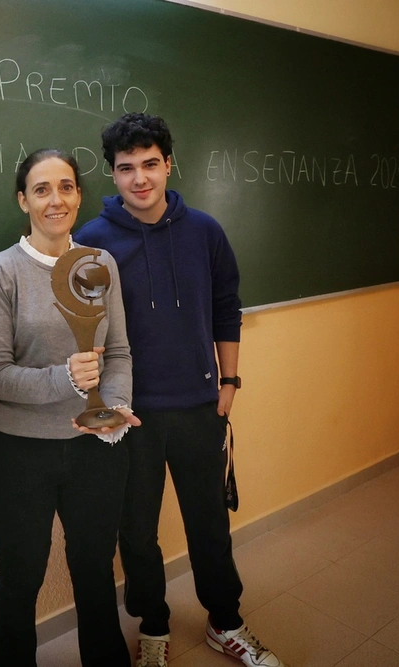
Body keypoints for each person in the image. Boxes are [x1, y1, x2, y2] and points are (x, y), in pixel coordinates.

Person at [74, 113, 285, 667]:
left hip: (199, 406)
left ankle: (225, 620)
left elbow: (225, 307)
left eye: (150, 164)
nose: (140, 178)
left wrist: (230, 381)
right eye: (126, 168)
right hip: (132, 414)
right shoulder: (91, 242)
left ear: (169, 163)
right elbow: (81, 328)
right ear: (112, 174)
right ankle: (154, 628)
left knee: (209, 523)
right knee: (137, 534)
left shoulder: (205, 232)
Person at [0, 149, 141, 666]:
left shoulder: (99, 263)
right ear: (23, 200)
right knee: (21, 575)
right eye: (42, 189)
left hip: (94, 449)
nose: (56, 199)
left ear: (79, 196)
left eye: (66, 187)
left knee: (94, 569)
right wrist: (64, 377)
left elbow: (118, 352)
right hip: (20, 453)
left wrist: (112, 409)